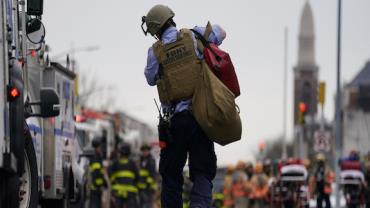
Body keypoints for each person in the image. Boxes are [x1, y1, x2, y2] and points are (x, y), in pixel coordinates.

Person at [142, 4, 226, 208]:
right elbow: (221, 32)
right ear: (170, 19)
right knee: (203, 171)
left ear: (155, 29)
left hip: (174, 123)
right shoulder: (194, 36)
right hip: (200, 118)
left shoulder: (155, 52)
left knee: (171, 175)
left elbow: (150, 79)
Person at [109, 143, 139, 208]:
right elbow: (137, 177)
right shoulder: (132, 163)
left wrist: (113, 188)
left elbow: (111, 176)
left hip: (118, 192)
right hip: (130, 192)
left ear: (120, 152)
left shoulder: (115, 163)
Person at [88, 138, 108, 208]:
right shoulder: (95, 158)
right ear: (96, 148)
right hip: (95, 188)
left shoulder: (97, 157)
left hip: (96, 188)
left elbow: (100, 172)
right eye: (100, 147)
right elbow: (96, 174)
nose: (101, 149)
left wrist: (104, 183)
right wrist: (100, 185)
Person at [138, 144, 157, 208]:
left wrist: (151, 185)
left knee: (147, 204)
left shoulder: (151, 160)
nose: (145, 152)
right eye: (143, 151)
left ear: (149, 151)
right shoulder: (140, 160)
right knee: (141, 204)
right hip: (140, 187)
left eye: (146, 151)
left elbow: (153, 175)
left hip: (148, 187)